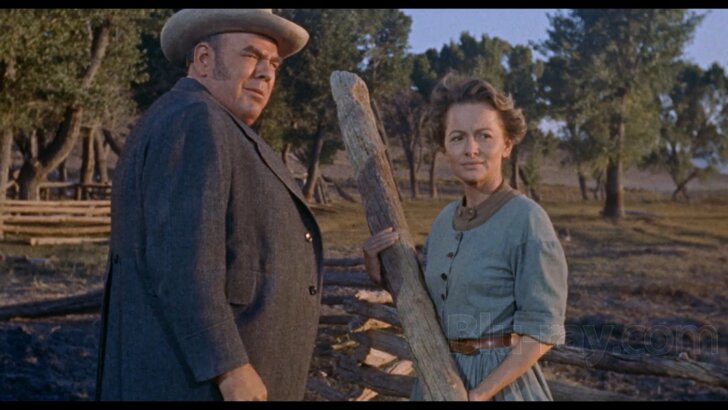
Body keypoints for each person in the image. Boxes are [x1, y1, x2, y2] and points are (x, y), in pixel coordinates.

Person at [95, 9, 323, 401]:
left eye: (273, 64)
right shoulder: (196, 120)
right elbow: (182, 262)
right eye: (251, 55)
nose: (266, 74)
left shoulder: (203, 121)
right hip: (201, 388)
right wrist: (229, 367)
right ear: (203, 59)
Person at [363, 74, 568, 401]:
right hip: (438, 379)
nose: (471, 150)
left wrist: (480, 394)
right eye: (458, 138)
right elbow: (436, 302)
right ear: (444, 148)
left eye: (484, 136)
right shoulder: (444, 221)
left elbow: (542, 331)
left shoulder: (528, 220)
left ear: (506, 145)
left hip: (499, 387)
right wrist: (382, 275)